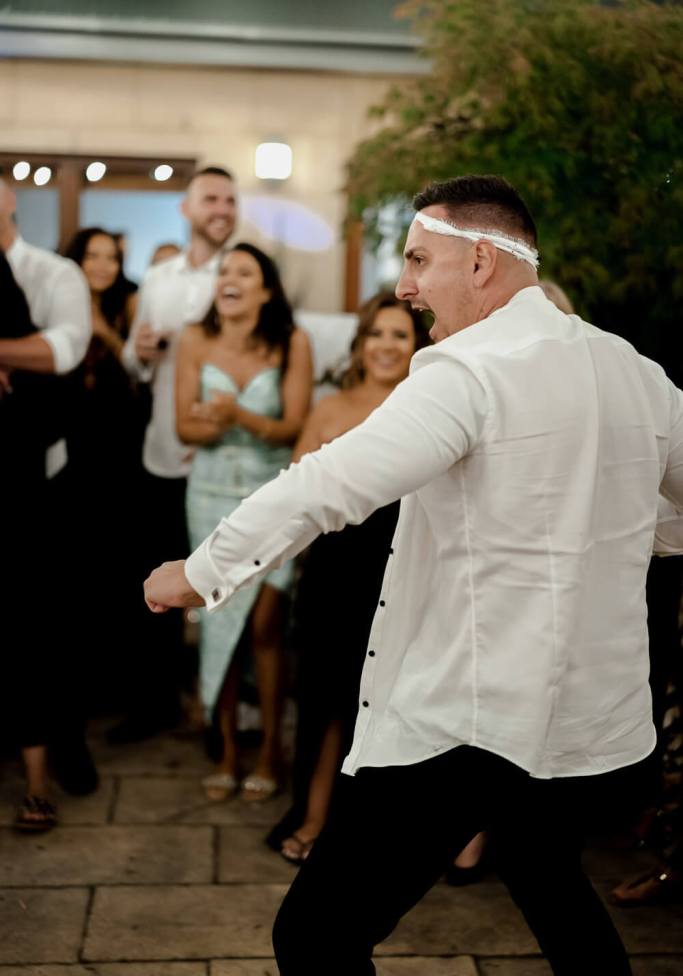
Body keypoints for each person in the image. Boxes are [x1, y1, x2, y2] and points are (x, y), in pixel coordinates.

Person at [144, 174, 683, 976]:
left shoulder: (466, 370)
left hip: (468, 722)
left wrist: (200, 570)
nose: (403, 286)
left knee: (315, 936)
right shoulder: (633, 370)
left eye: (417, 259)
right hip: (590, 723)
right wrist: (615, 533)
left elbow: (325, 484)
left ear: (478, 261)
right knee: (548, 879)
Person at [268, 291, 429, 860]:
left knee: (392, 705)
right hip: (333, 575)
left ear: (417, 347)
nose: (386, 345)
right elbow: (294, 495)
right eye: (377, 334)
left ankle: (376, 836)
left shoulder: (428, 406)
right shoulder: (330, 408)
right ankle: (314, 815)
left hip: (402, 571)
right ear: (360, 345)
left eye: (399, 335)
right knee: (326, 701)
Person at [176, 243, 312, 801]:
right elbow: (184, 428)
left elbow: (293, 427)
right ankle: (228, 748)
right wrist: (212, 423)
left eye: (243, 272)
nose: (229, 279)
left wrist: (238, 415)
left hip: (269, 494)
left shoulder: (292, 341)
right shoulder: (193, 339)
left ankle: (271, 749)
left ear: (265, 290)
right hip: (207, 493)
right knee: (219, 620)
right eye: (223, 272)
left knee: (263, 626)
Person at [113, 166, 238, 743]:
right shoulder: (157, 277)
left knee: (220, 584)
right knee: (159, 585)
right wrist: (137, 353)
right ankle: (153, 704)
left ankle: (218, 714)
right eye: (211, 198)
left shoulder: (239, 277)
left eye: (230, 201)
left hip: (217, 455)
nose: (223, 208)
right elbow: (134, 364)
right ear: (186, 210)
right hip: (161, 452)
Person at [0, 175, 96, 801]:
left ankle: (60, 746)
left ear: (7, 198)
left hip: (32, 465)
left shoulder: (53, 271)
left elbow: (65, 347)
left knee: (40, 614)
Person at [62, 227, 144, 710]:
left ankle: (113, 685)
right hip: (67, 453)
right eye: (92, 256)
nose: (101, 266)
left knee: (115, 569)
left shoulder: (128, 305)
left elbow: (141, 374)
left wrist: (107, 335)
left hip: (118, 454)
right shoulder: (51, 301)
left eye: (110, 257)